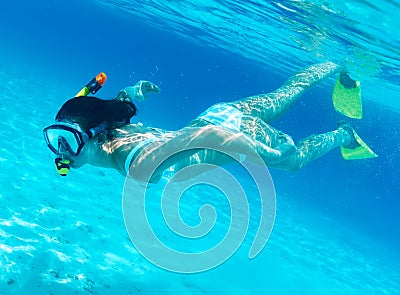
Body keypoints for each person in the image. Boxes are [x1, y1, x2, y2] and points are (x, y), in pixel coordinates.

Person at [43, 62, 377, 181]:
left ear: (95, 137)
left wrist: (268, 155)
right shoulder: (103, 128)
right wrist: (132, 92)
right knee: (285, 93)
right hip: (219, 112)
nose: (61, 151)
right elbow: (99, 109)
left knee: (294, 163)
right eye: (56, 139)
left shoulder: (133, 162)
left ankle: (344, 133)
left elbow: (212, 136)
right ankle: (338, 65)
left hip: (229, 131)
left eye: (67, 141)